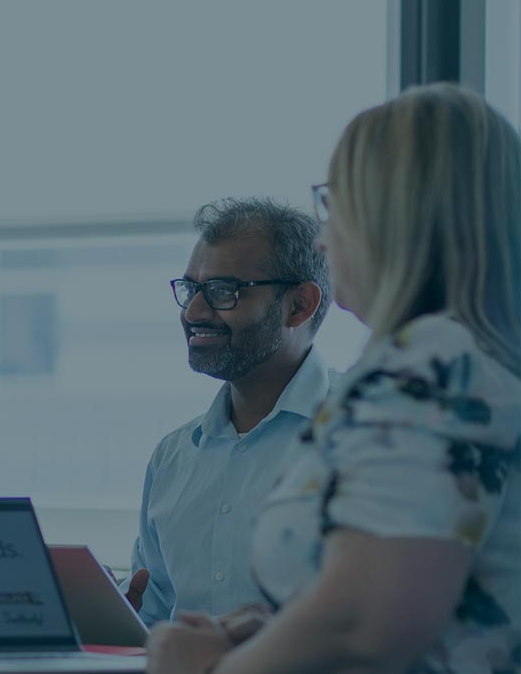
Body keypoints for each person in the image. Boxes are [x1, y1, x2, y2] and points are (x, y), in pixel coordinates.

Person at [147, 83, 521, 673]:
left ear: (394, 212)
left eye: (333, 201)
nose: (325, 234)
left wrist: (208, 671)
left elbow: (361, 625)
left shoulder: (430, 367)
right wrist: (284, 623)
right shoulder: (473, 361)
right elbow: (427, 588)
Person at [126, 198, 336, 625]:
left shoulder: (369, 431)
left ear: (299, 306)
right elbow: (151, 623)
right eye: (190, 289)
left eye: (223, 291)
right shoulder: (172, 457)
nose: (193, 312)